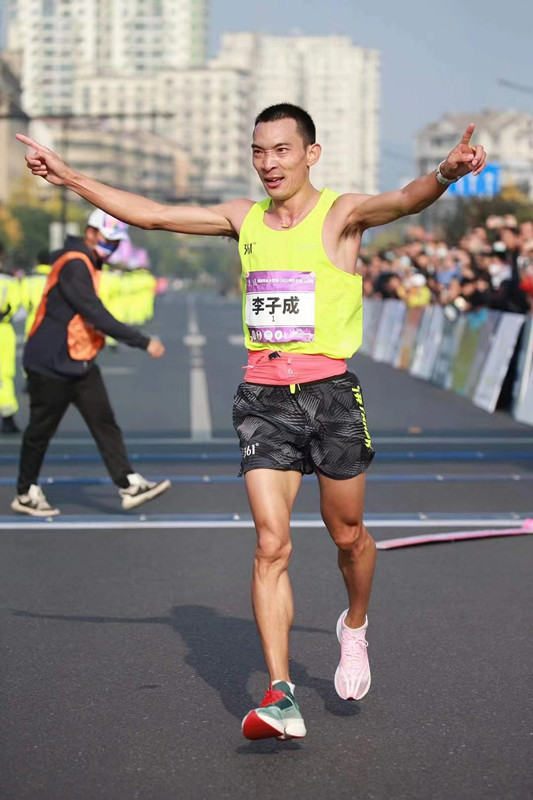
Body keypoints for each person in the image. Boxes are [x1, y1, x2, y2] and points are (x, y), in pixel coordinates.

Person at [16, 104, 486, 738]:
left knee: (348, 535)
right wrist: (69, 176)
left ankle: (354, 625)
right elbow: (152, 213)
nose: (268, 163)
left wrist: (447, 173)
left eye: (281, 150)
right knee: (270, 544)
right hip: (263, 398)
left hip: (329, 395)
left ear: (311, 154)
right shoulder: (244, 218)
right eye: (259, 151)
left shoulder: (342, 215)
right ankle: (281, 693)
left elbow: (406, 199)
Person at [10, 208, 171, 517]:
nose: (110, 247)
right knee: (40, 431)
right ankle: (25, 492)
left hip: (79, 361)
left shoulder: (88, 262)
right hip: (52, 362)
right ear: (91, 233)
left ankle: (128, 483)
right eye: (107, 240)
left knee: (104, 422)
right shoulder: (75, 264)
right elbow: (94, 313)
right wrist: (143, 341)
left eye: (115, 243)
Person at [0, 240, 21, 434]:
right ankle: (7, 417)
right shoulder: (8, 281)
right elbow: (15, 308)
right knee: (3, 375)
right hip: (3, 331)